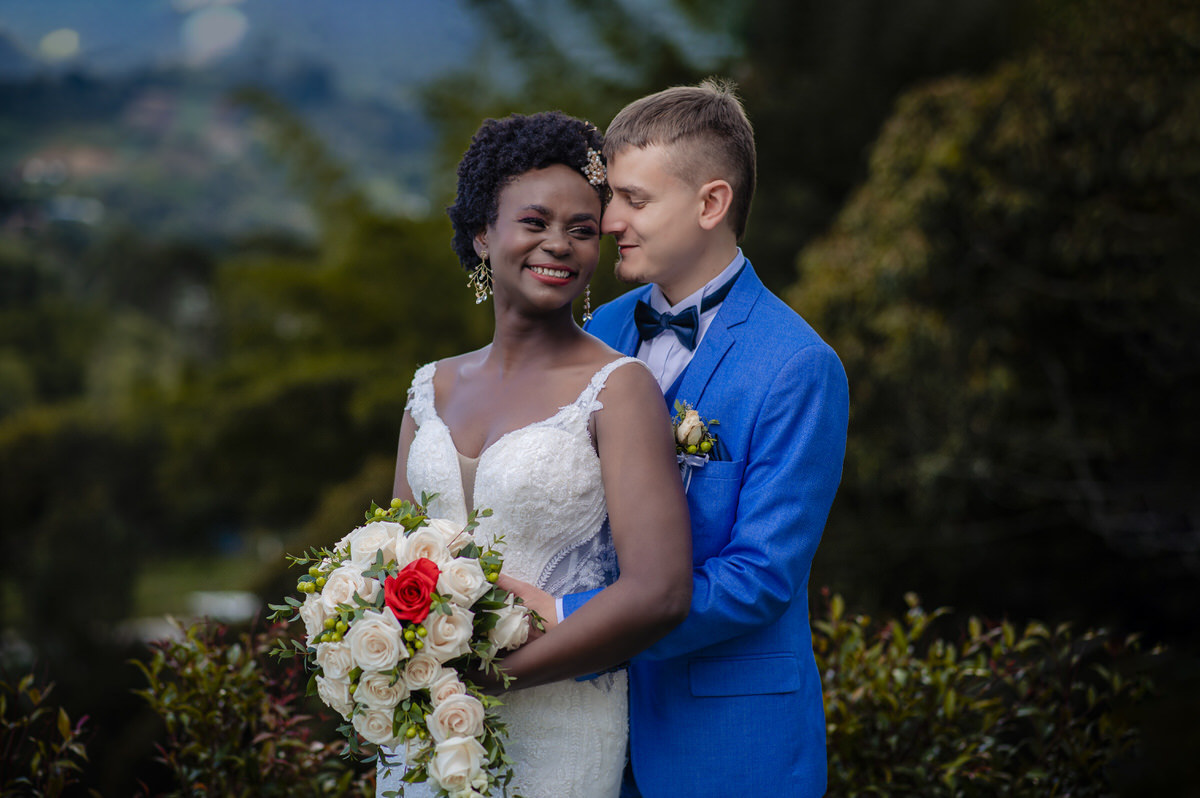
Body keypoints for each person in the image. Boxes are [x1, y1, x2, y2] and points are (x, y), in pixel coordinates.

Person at [502, 80, 850, 797]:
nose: (608, 222)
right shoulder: (597, 330)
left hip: (726, 743)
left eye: (634, 199)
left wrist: (575, 620)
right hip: (582, 730)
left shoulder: (797, 367)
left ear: (711, 203)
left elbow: (759, 578)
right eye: (611, 198)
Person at [376, 111, 693, 798]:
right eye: (535, 222)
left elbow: (659, 593)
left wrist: (496, 678)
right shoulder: (429, 387)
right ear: (482, 233)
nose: (561, 245)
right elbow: (392, 560)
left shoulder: (619, 389)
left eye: (583, 230)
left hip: (558, 735)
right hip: (423, 730)